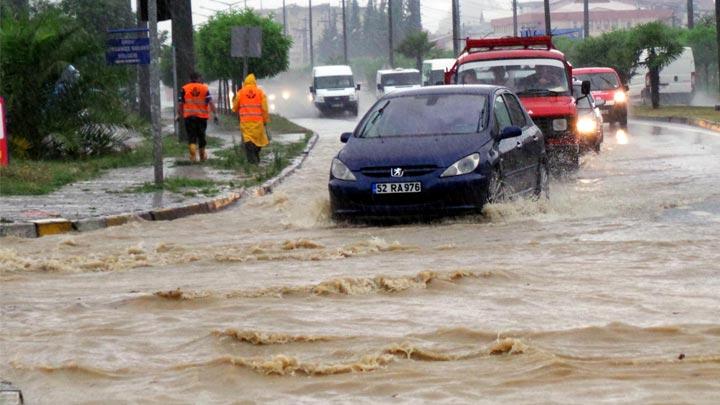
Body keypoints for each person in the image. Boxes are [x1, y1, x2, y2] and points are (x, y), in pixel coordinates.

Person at [177, 71, 218, 162]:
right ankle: (202, 156)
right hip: (201, 117)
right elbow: (210, 102)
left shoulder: (184, 88)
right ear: (198, 78)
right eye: (200, 78)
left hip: (189, 117)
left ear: (190, 79)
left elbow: (180, 103)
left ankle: (193, 156)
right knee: (201, 136)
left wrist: (179, 114)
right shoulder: (204, 88)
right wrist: (215, 114)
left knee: (192, 137)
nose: (201, 79)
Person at [232, 73, 270, 164]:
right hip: (258, 122)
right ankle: (254, 158)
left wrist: (236, 111)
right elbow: (265, 108)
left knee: (248, 140)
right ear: (254, 82)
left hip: (245, 122)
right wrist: (265, 120)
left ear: (245, 82)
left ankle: (252, 161)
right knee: (258, 141)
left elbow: (235, 106)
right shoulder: (260, 92)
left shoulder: (241, 92)